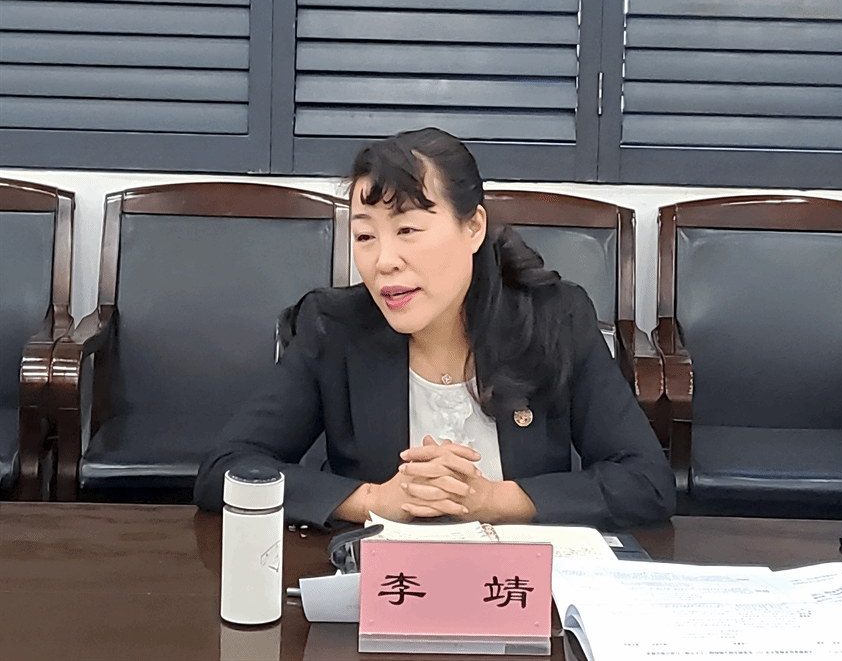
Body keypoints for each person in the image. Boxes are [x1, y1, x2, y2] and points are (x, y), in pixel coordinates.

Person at [194, 127, 675, 530]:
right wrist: (375, 500)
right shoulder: (334, 329)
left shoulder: (553, 319)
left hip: (516, 590)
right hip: (382, 591)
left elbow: (647, 482)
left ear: (473, 227)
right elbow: (226, 470)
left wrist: (492, 500)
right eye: (365, 235)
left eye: (407, 230)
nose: (383, 261)